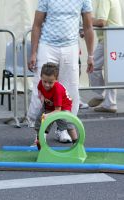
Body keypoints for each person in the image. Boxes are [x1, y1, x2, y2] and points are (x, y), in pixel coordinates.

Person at [27, 0, 94, 142]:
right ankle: (40, 133)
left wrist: (91, 56)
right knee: (41, 88)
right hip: (47, 45)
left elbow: (88, 27)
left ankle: (62, 129)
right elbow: (37, 25)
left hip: (70, 47)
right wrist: (33, 53)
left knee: (70, 92)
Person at [32, 63, 78, 149]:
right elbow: (40, 91)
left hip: (63, 107)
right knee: (39, 120)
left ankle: (76, 143)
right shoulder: (40, 83)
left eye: (50, 82)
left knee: (67, 122)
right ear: (41, 77)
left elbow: (58, 110)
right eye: (44, 81)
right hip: (49, 105)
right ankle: (39, 141)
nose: (46, 85)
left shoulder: (57, 90)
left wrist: (47, 115)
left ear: (56, 80)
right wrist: (42, 97)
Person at [88, 0, 122, 113]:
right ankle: (109, 102)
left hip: (109, 39)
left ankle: (101, 94)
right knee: (111, 72)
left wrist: (87, 20)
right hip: (113, 37)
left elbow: (102, 22)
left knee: (93, 67)